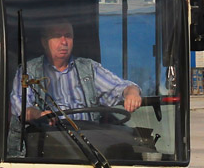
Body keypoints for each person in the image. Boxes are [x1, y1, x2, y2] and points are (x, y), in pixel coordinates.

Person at [10, 20, 142, 125]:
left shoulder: (89, 68)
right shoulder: (28, 71)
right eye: (57, 36)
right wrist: (38, 115)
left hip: (87, 144)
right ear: (44, 42)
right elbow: (20, 107)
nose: (64, 42)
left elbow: (120, 87)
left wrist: (132, 93)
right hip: (47, 144)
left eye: (68, 36)